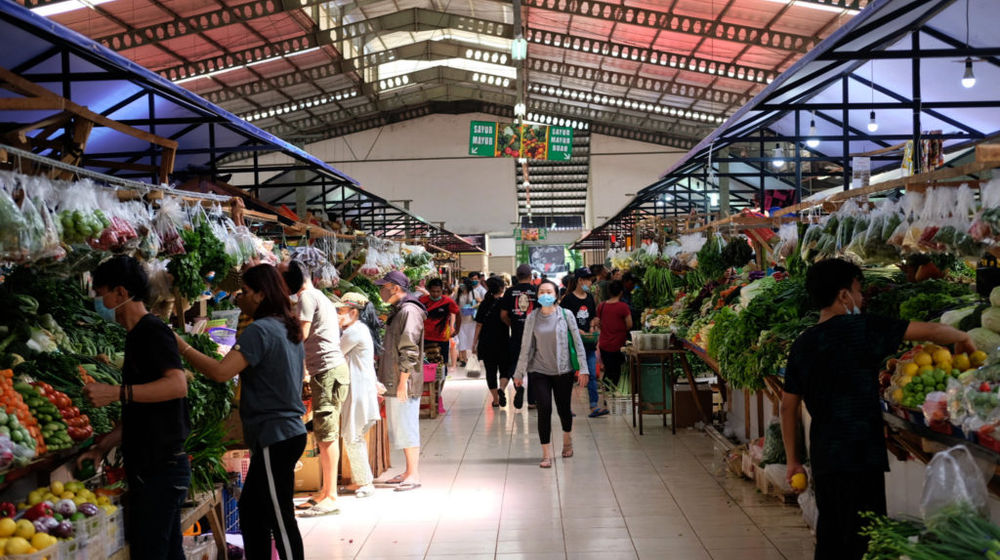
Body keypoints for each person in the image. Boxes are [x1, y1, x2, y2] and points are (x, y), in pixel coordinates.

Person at [781, 259, 976, 560]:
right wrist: (964, 338)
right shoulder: (863, 329)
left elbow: (787, 407)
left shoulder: (803, 344)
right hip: (861, 454)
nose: (862, 300)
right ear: (843, 295)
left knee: (831, 533)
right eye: (858, 292)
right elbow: (934, 331)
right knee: (865, 540)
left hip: (825, 454)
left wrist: (793, 460)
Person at [176, 264, 308, 560]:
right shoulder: (286, 325)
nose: (239, 297)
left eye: (245, 292)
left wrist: (182, 348)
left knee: (279, 516)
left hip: (277, 435)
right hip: (282, 434)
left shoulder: (260, 330)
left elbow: (222, 372)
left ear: (261, 294)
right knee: (251, 509)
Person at [81, 256, 190, 560]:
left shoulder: (152, 332)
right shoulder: (136, 335)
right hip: (154, 469)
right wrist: (103, 447)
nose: (99, 302)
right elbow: (139, 410)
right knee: (167, 553)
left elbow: (177, 385)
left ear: (120, 293)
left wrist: (116, 392)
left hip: (162, 470)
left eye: (100, 293)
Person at [281, 261, 349, 517]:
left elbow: (301, 335)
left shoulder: (307, 297)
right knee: (324, 434)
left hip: (327, 371)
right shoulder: (318, 295)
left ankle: (331, 495)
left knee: (327, 434)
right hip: (328, 370)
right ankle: (324, 491)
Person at [513, 280, 589, 468]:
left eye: (549, 291)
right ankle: (546, 453)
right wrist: (519, 372)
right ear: (537, 296)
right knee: (544, 408)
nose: (545, 294)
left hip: (563, 370)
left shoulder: (566, 315)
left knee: (563, 409)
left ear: (556, 295)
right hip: (538, 370)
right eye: (541, 291)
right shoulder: (532, 317)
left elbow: (578, 343)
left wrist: (584, 368)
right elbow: (526, 346)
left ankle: (567, 439)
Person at [375, 271, 427, 492]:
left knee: (407, 426)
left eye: (383, 286)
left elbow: (409, 348)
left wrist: (402, 381)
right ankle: (407, 471)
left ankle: (413, 474)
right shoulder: (401, 310)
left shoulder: (409, 311)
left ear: (395, 287)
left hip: (403, 380)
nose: (381, 291)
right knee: (401, 427)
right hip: (395, 378)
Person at [334, 292, 383, 499]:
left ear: (354, 312)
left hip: (359, 390)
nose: (337, 315)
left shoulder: (354, 332)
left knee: (353, 436)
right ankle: (360, 480)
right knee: (353, 436)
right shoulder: (359, 329)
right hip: (360, 388)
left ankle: (365, 482)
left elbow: (334, 351)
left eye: (341, 311)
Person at [561, 268, 606, 417]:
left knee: (592, 374)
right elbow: (562, 321)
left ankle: (594, 406)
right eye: (587, 280)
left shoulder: (590, 298)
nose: (590, 283)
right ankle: (565, 408)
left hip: (588, 343)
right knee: (568, 377)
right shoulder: (568, 300)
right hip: (572, 346)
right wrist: (575, 331)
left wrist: (594, 325)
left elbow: (592, 317)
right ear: (580, 281)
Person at [501, 264, 539, 409]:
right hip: (534, 336)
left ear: (516, 277)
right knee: (533, 367)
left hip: (517, 334)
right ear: (531, 276)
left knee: (515, 364)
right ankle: (532, 401)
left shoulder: (510, 291)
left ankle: (519, 387)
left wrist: (512, 324)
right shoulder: (536, 291)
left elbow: (503, 315)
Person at [474, 276, 511, 407]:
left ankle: (495, 399)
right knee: (505, 369)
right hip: (503, 341)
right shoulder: (505, 303)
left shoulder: (484, 303)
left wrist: (474, 344)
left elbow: (479, 325)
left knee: (490, 371)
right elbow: (508, 320)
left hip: (486, 342)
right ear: (501, 288)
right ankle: (502, 389)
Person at [595, 280, 632, 393]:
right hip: (618, 344)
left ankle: (607, 392)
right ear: (621, 292)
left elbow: (598, 323)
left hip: (604, 344)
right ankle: (612, 394)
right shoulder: (623, 307)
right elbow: (629, 324)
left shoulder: (602, 306)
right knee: (616, 371)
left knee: (609, 369)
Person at [420, 278, 461, 375]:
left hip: (442, 338)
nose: (435, 294)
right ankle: (430, 387)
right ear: (429, 290)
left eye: (438, 291)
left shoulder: (448, 302)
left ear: (442, 290)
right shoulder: (422, 301)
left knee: (442, 364)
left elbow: (458, 314)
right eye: (433, 291)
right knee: (427, 364)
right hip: (426, 338)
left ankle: (440, 386)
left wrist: (457, 330)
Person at [455, 279, 478, 368]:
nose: (461, 286)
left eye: (462, 284)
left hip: (471, 320)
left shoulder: (474, 293)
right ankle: (464, 359)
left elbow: (480, 302)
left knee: (472, 340)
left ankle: (473, 358)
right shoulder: (458, 294)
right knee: (462, 341)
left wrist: (471, 307)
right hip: (461, 321)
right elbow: (453, 303)